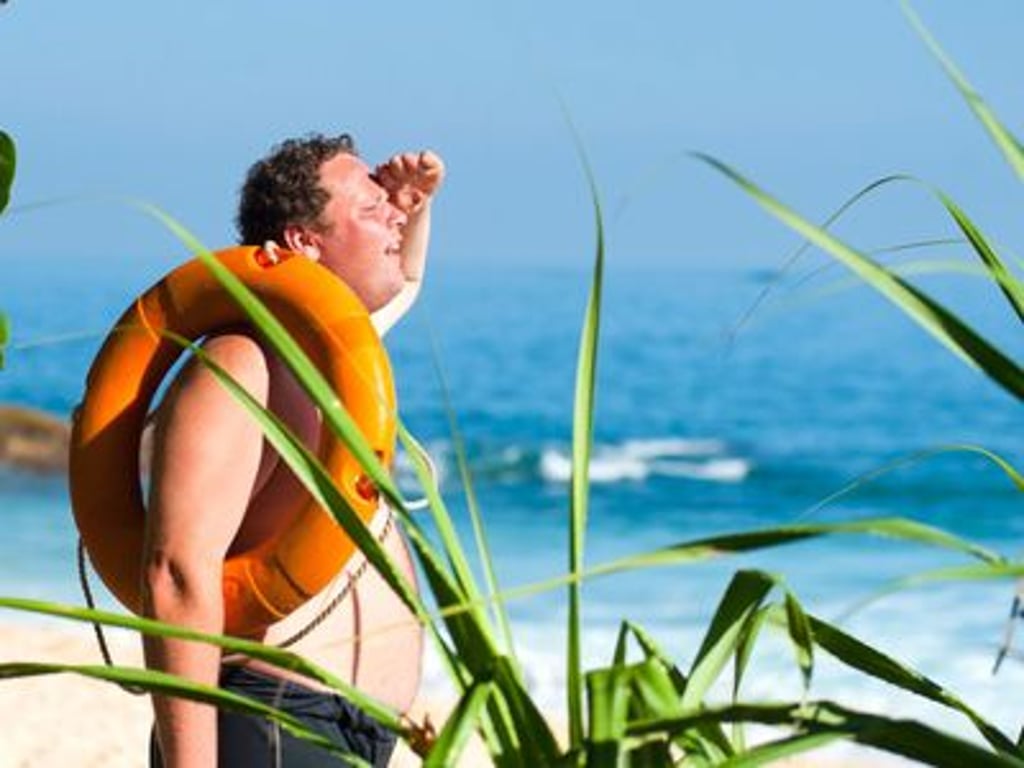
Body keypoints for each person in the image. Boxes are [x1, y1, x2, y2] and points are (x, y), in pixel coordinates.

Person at [142, 133, 444, 767]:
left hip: (345, 731)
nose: (394, 216)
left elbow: (406, 279)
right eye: (371, 208)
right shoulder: (243, 367)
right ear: (304, 242)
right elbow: (175, 574)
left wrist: (410, 205)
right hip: (269, 721)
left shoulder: (335, 362)